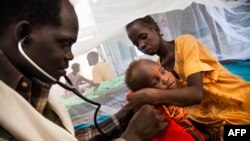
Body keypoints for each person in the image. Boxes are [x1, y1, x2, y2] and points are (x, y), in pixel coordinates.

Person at [0, 1, 167, 141]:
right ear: (23, 35)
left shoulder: (33, 87)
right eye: (64, 43)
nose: (70, 55)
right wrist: (132, 136)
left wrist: (118, 119)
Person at [125, 15, 250, 140]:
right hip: (218, 125)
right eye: (136, 44)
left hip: (241, 104)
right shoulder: (157, 69)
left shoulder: (185, 43)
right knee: (230, 134)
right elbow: (181, 111)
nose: (141, 45)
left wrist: (152, 95)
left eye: (143, 37)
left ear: (156, 29)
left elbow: (196, 94)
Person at [125, 59, 204, 141]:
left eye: (162, 72)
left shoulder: (174, 95)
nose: (165, 79)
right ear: (145, 92)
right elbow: (189, 130)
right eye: (155, 82)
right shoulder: (166, 111)